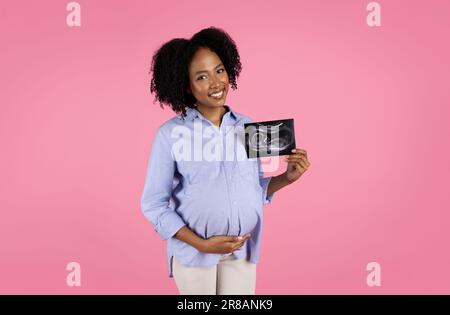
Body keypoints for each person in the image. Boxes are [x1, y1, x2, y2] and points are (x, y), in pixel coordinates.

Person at [140, 26, 310, 295]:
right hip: (194, 254)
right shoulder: (170, 135)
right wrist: (202, 244)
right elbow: (153, 204)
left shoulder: (247, 126)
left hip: (241, 249)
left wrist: (286, 178)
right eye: (202, 77)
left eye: (219, 70)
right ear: (186, 85)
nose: (216, 83)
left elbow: (252, 187)